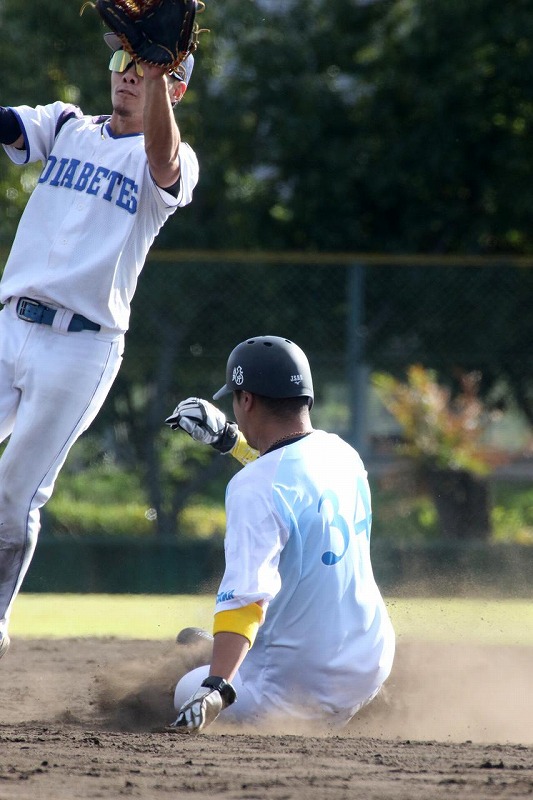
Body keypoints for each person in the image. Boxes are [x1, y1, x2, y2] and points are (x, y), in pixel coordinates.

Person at [0, 32, 199, 659]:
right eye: (123, 61)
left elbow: (164, 159)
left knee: (14, 494)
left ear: (175, 88)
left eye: (149, 69)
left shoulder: (172, 158)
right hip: (10, 323)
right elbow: (8, 124)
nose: (129, 75)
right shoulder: (66, 127)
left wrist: (160, 68)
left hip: (81, 348)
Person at [165, 335, 395, 733]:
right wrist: (230, 440)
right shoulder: (343, 454)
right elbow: (290, 477)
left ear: (247, 400)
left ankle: (220, 661)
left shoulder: (251, 488)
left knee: (187, 686)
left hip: (298, 690)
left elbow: (245, 597)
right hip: (370, 665)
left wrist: (215, 686)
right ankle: (226, 654)